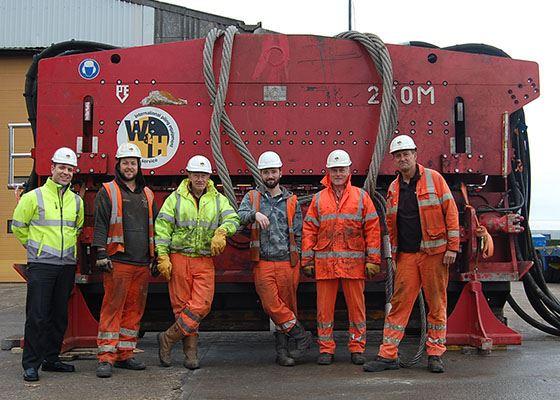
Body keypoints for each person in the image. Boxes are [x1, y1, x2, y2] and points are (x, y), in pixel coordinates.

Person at [363, 135, 459, 374]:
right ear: (394, 161)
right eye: (398, 155)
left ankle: (435, 354)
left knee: (436, 305)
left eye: (406, 154)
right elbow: (391, 225)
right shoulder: (395, 188)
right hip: (406, 256)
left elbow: (451, 213)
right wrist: (394, 257)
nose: (403, 158)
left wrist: (452, 247)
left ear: (415, 154)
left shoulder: (434, 179)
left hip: (434, 254)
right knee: (398, 305)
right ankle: (388, 355)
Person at [155, 155, 240, 369]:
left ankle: (167, 338)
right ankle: (190, 354)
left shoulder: (218, 199)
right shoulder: (175, 199)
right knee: (181, 307)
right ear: (189, 175)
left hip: (203, 258)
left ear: (209, 176)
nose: (200, 178)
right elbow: (163, 228)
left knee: (202, 305)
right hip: (179, 257)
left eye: (203, 175)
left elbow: (233, 218)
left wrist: (222, 231)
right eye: (196, 174)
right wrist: (162, 256)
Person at [302, 149, 381, 365]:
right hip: (326, 264)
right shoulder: (319, 199)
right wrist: (307, 261)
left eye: (342, 169)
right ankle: (326, 349)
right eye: (335, 170)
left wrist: (373, 261)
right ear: (328, 171)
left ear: (349, 171)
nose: (338, 173)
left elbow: (372, 229)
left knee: (357, 308)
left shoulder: (361, 197)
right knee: (324, 310)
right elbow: (309, 230)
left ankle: (357, 348)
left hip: (353, 264)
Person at [12, 147, 84, 382]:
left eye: (69, 169)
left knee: (58, 315)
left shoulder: (77, 201)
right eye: (61, 167)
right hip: (42, 265)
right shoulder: (34, 197)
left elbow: (77, 228)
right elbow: (18, 226)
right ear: (52, 168)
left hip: (66, 265)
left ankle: (51, 359)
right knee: (37, 315)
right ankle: (31, 364)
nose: (65, 172)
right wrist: (35, 248)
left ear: (74, 172)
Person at [238, 151, 312, 367]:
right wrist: (254, 214)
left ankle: (283, 352)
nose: (270, 175)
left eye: (273, 171)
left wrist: (298, 257)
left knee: (288, 307)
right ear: (260, 174)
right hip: (263, 262)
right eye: (266, 172)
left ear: (280, 172)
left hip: (288, 262)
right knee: (271, 304)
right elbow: (239, 215)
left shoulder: (292, 201)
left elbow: (298, 232)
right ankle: (301, 336)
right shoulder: (252, 198)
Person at [93, 143, 158, 378]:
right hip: (118, 260)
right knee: (112, 308)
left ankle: (125, 354)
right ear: (118, 165)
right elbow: (100, 223)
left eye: (133, 163)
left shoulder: (147, 194)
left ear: (139, 166)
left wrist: (156, 256)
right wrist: (100, 252)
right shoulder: (108, 191)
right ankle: (106, 358)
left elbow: (155, 228)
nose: (129, 167)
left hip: (141, 262)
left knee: (134, 311)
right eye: (125, 163)